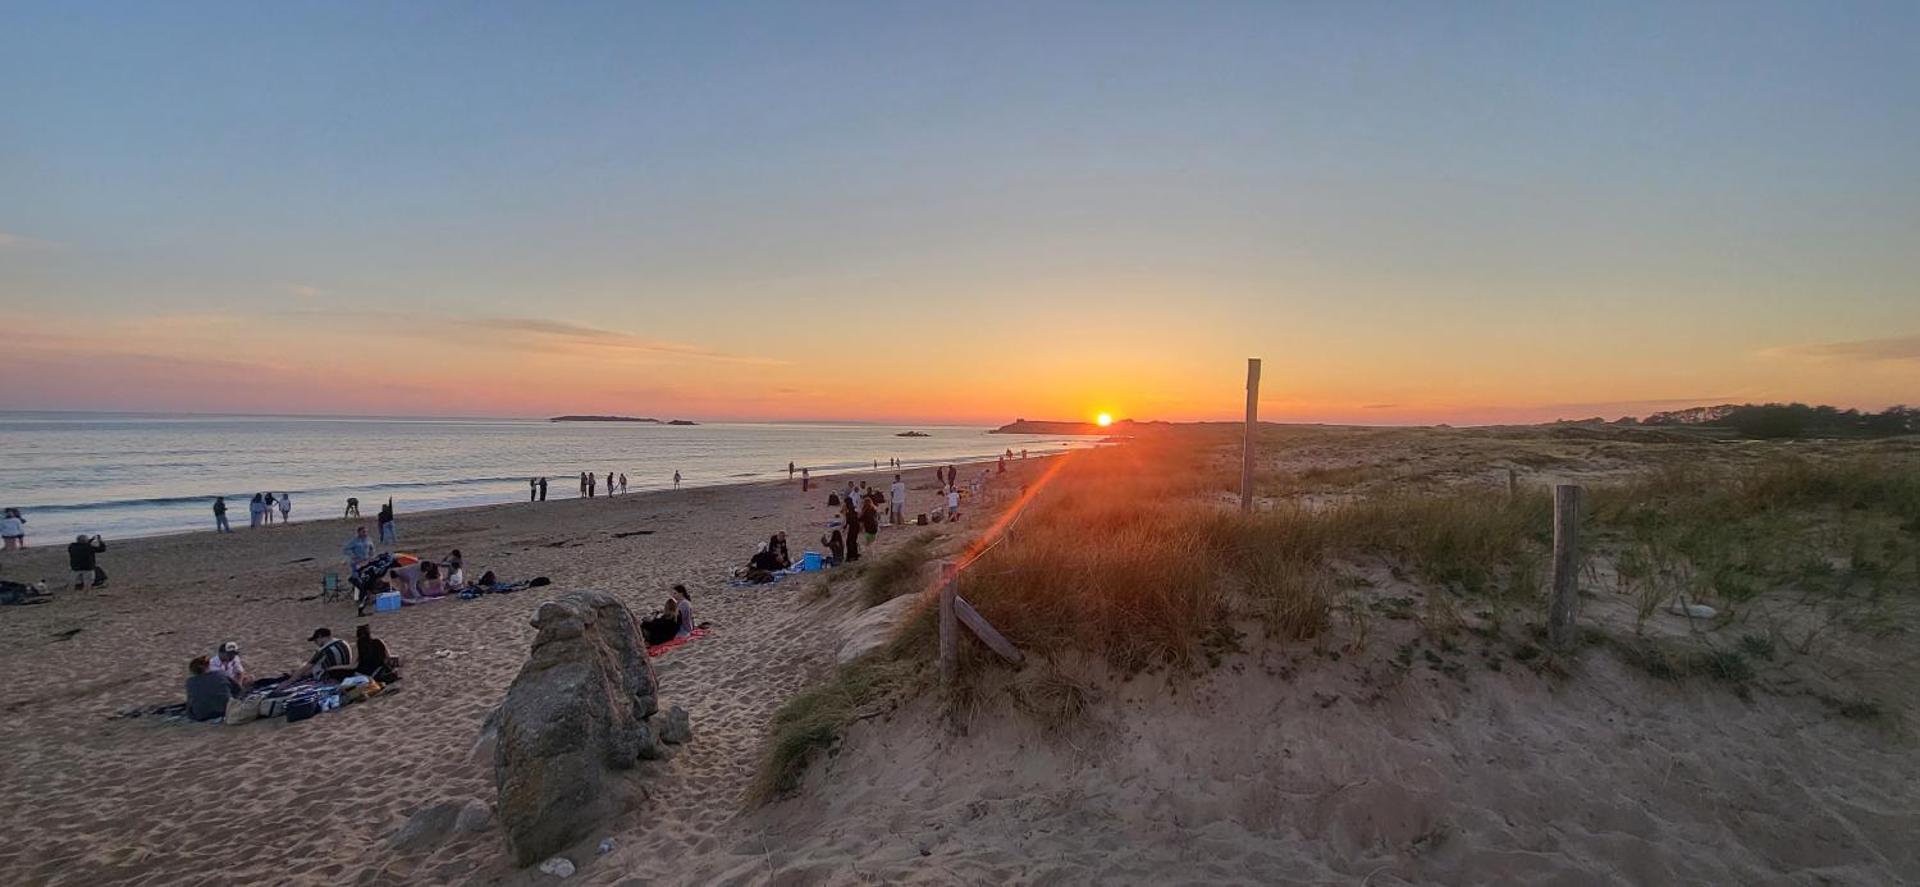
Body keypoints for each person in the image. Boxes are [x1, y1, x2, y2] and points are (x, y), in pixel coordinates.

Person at [185, 656, 234, 722]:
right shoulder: (220, 674)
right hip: (225, 711)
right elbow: (238, 689)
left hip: (201, 715)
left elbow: (190, 701)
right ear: (208, 666)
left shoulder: (190, 682)